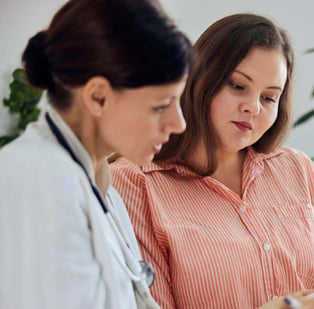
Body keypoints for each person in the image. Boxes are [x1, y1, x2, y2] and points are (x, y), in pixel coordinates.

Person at [111, 13, 314, 309]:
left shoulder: (298, 171)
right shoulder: (134, 184)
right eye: (238, 86)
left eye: (269, 98)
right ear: (198, 78)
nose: (252, 107)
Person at [0, 0, 194, 308]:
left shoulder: (102, 190)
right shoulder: (38, 182)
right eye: (160, 106)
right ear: (98, 97)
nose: (179, 124)